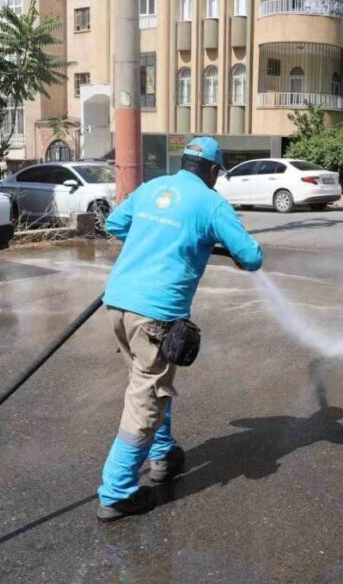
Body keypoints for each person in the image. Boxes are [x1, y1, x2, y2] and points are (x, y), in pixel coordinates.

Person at [96, 137, 263, 521]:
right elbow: (252, 256)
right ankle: (116, 492)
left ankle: (163, 454)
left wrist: (151, 244)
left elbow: (115, 223)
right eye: (217, 174)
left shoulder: (153, 188)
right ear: (212, 171)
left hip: (118, 304)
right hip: (155, 315)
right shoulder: (210, 202)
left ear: (184, 162)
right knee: (145, 399)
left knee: (150, 380)